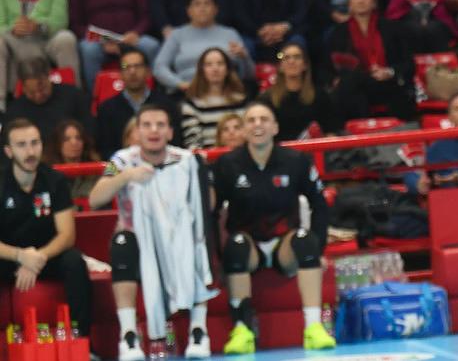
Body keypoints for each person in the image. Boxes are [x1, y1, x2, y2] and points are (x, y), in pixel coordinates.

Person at [89, 103, 216, 361]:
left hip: (177, 240)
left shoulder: (187, 159)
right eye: (147, 125)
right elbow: (94, 198)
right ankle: (129, 337)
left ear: (170, 132)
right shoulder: (120, 160)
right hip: (137, 241)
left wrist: (201, 177)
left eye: (160, 125)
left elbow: (208, 204)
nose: (153, 130)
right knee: (122, 243)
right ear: (137, 131)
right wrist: (126, 177)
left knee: (198, 241)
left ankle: (198, 330)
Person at [212, 102, 337, 354]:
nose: (258, 124)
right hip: (248, 248)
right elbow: (211, 213)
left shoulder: (296, 161)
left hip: (284, 246)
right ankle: (242, 330)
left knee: (305, 240)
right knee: (235, 246)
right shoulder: (227, 164)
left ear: (275, 127)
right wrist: (216, 259)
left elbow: (319, 205)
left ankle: (313, 328)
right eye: (251, 120)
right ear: (244, 130)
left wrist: (319, 249)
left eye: (264, 119)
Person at [0, 119, 93, 338]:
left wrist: (37, 258)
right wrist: (21, 256)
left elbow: (67, 235)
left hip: (46, 255)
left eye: (35, 143)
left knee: (74, 262)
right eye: (21, 145)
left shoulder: (55, 181)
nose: (30, 151)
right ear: (8, 151)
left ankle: (83, 342)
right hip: (9, 255)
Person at [326, 0, 414, 124]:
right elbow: (326, 69)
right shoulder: (338, 33)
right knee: (350, 85)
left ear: (374, 2)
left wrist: (389, 72)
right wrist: (333, 80)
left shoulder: (392, 29)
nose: (361, 0)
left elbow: (409, 65)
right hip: (356, 88)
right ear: (349, 3)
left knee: (350, 84)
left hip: (386, 83)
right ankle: (359, 138)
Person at [152, 0, 249, 90]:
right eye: (197, 4)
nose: (202, 8)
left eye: (207, 3)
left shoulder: (230, 34)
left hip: (225, 91)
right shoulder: (177, 35)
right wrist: (180, 84)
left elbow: (248, 74)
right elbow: (159, 67)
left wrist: (244, 58)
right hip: (186, 91)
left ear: (216, 9)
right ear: (188, 11)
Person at [92, 49, 178, 162]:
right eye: (126, 67)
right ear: (120, 74)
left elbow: (176, 143)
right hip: (122, 169)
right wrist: (121, 170)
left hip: (163, 166)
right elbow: (105, 150)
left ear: (148, 71)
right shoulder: (107, 108)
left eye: (137, 66)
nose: (132, 71)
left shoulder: (166, 105)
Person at [4, 59, 91, 151]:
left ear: (49, 77)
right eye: (32, 92)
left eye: (42, 89)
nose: (38, 95)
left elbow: (89, 132)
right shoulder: (14, 110)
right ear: (23, 87)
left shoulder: (74, 97)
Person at [179, 48, 248, 149]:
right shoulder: (192, 105)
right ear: (202, 70)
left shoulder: (241, 101)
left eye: (220, 63)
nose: (215, 69)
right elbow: (193, 144)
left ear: (227, 69)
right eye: (209, 64)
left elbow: (248, 135)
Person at [260, 45, 332, 141]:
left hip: (313, 153)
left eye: (297, 57)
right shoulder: (267, 99)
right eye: (286, 58)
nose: (291, 61)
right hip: (280, 153)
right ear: (280, 66)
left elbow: (332, 131)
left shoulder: (320, 95)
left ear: (305, 65)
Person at [45, 119, 99, 201]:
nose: (74, 142)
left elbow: (113, 170)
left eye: (78, 138)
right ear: (57, 144)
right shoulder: (47, 172)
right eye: (66, 139)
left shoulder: (97, 168)